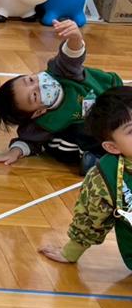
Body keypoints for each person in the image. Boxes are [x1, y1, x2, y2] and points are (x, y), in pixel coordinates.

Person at [0, 20, 122, 175]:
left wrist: (74, 37)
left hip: (116, 98)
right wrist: (14, 152)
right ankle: (98, 160)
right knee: (61, 143)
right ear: (38, 112)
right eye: (34, 95)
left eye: (30, 80)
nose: (38, 85)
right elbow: (29, 141)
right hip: (102, 132)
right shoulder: (44, 123)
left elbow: (71, 57)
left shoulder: (61, 71)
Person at [39, 86, 132, 269]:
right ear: (113, 147)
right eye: (131, 131)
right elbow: (90, 220)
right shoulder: (106, 177)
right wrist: (70, 252)